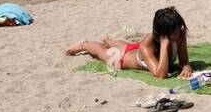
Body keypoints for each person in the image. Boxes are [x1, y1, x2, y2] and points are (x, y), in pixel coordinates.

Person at [64, 7, 193, 80]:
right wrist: (164, 44)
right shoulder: (147, 45)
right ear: (163, 34)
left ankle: (108, 41)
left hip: (132, 49)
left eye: (180, 27)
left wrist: (186, 67)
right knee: (102, 52)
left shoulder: (179, 33)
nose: (181, 31)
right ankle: (84, 44)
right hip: (123, 58)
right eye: (176, 30)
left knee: (125, 45)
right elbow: (160, 75)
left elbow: (184, 61)